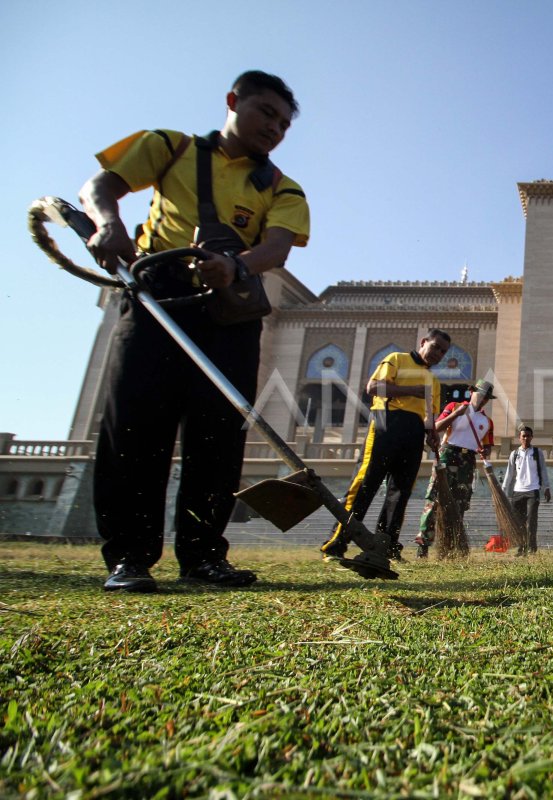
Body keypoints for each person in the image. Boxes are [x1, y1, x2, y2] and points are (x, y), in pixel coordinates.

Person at [80, 71, 310, 592]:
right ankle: (129, 557)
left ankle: (204, 555)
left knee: (218, 434)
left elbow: (277, 247)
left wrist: (236, 267)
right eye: (265, 113)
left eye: (283, 124)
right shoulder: (169, 147)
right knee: (136, 425)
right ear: (233, 102)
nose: (274, 128)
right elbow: (101, 186)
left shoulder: (281, 186)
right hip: (157, 294)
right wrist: (107, 222)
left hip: (230, 307)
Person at [320, 331, 450, 561]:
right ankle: (337, 542)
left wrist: (432, 434)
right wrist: (412, 390)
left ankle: (386, 546)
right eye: (436, 347)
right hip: (386, 422)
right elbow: (373, 388)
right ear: (423, 342)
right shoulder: (397, 359)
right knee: (366, 482)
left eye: (443, 351)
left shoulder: (435, 382)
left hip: (413, 432)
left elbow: (430, 414)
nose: (438, 354)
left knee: (400, 491)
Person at [415, 379, 496, 557]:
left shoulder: (487, 421)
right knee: (434, 499)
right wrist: (457, 414)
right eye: (481, 395)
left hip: (468, 461)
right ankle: (424, 545)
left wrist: (485, 450)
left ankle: (451, 545)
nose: (483, 400)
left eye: (486, 398)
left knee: (460, 503)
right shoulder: (454, 406)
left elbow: (488, 446)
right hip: (448, 454)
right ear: (471, 391)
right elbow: (436, 428)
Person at [502, 425, 552, 555]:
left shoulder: (537, 452)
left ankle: (532, 548)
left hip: (533, 490)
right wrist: (503, 489)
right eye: (523, 436)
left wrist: (546, 487)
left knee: (531, 521)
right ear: (519, 438)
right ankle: (521, 547)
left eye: (528, 436)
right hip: (517, 491)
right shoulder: (515, 454)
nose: (526, 438)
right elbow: (509, 473)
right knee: (518, 522)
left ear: (531, 437)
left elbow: (543, 470)